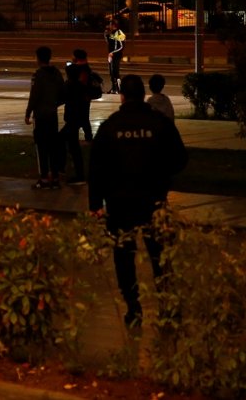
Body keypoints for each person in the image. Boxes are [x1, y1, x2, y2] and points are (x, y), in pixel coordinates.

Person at [88, 74, 187, 328]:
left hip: (120, 205)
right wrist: (161, 177)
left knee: (124, 258)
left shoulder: (111, 126)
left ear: (122, 96)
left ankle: (134, 309)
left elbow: (96, 168)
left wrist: (95, 204)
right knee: (160, 257)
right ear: (143, 95)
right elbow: (179, 159)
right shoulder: (159, 123)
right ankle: (167, 309)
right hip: (154, 202)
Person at [25, 46, 66, 189]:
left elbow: (34, 96)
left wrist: (28, 112)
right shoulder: (56, 73)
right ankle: (54, 177)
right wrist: (54, 103)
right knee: (53, 146)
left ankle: (44, 178)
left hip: (41, 116)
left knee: (41, 147)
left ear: (38, 58)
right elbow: (63, 93)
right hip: (52, 115)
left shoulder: (38, 75)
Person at [61, 63, 87, 185]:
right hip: (77, 119)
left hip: (72, 119)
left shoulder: (68, 85)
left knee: (63, 142)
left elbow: (60, 97)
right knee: (72, 145)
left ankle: (77, 174)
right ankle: (77, 173)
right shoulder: (80, 86)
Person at [71, 49, 96, 142]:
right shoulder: (84, 67)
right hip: (84, 98)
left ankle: (87, 138)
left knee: (82, 119)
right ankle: (88, 138)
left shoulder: (82, 69)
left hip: (81, 98)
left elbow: (82, 83)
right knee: (84, 119)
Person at [105, 19, 126, 94]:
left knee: (116, 72)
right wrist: (106, 35)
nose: (109, 26)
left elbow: (121, 47)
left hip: (116, 55)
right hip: (110, 55)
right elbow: (109, 43)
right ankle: (113, 88)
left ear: (114, 25)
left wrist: (113, 53)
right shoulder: (112, 33)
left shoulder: (119, 33)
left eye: (110, 24)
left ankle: (119, 89)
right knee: (111, 72)